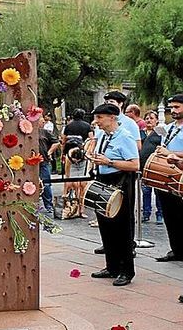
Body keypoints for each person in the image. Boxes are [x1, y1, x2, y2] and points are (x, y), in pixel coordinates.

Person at [87, 103, 138, 286]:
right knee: (105, 224)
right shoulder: (102, 135)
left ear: (112, 118)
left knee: (121, 227)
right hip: (103, 179)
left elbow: (134, 165)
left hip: (120, 181)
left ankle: (126, 271)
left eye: (100, 118)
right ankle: (112, 266)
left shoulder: (124, 137)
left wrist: (110, 162)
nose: (97, 122)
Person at [154, 93, 183, 262]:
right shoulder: (170, 127)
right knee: (170, 216)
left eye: (177, 107)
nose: (173, 110)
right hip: (166, 177)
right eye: (171, 107)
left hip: (180, 177)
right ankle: (176, 249)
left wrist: (171, 153)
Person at [62, 109, 93, 219]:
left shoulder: (68, 126)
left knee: (68, 181)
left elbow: (63, 140)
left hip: (69, 156)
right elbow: (91, 140)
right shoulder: (87, 126)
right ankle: (81, 210)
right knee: (82, 185)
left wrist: (63, 154)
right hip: (83, 155)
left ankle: (67, 207)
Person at [139, 110, 163, 225]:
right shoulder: (140, 133)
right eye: (147, 118)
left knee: (158, 192)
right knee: (145, 191)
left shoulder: (160, 132)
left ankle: (160, 214)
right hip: (144, 166)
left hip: (156, 166)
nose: (149, 120)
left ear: (157, 120)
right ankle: (146, 213)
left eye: (151, 118)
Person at [38, 113, 60, 212]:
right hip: (29, 164)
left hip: (43, 161)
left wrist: (49, 152)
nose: (43, 121)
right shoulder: (27, 132)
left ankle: (48, 205)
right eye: (41, 119)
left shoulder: (45, 132)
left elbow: (56, 142)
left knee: (46, 183)